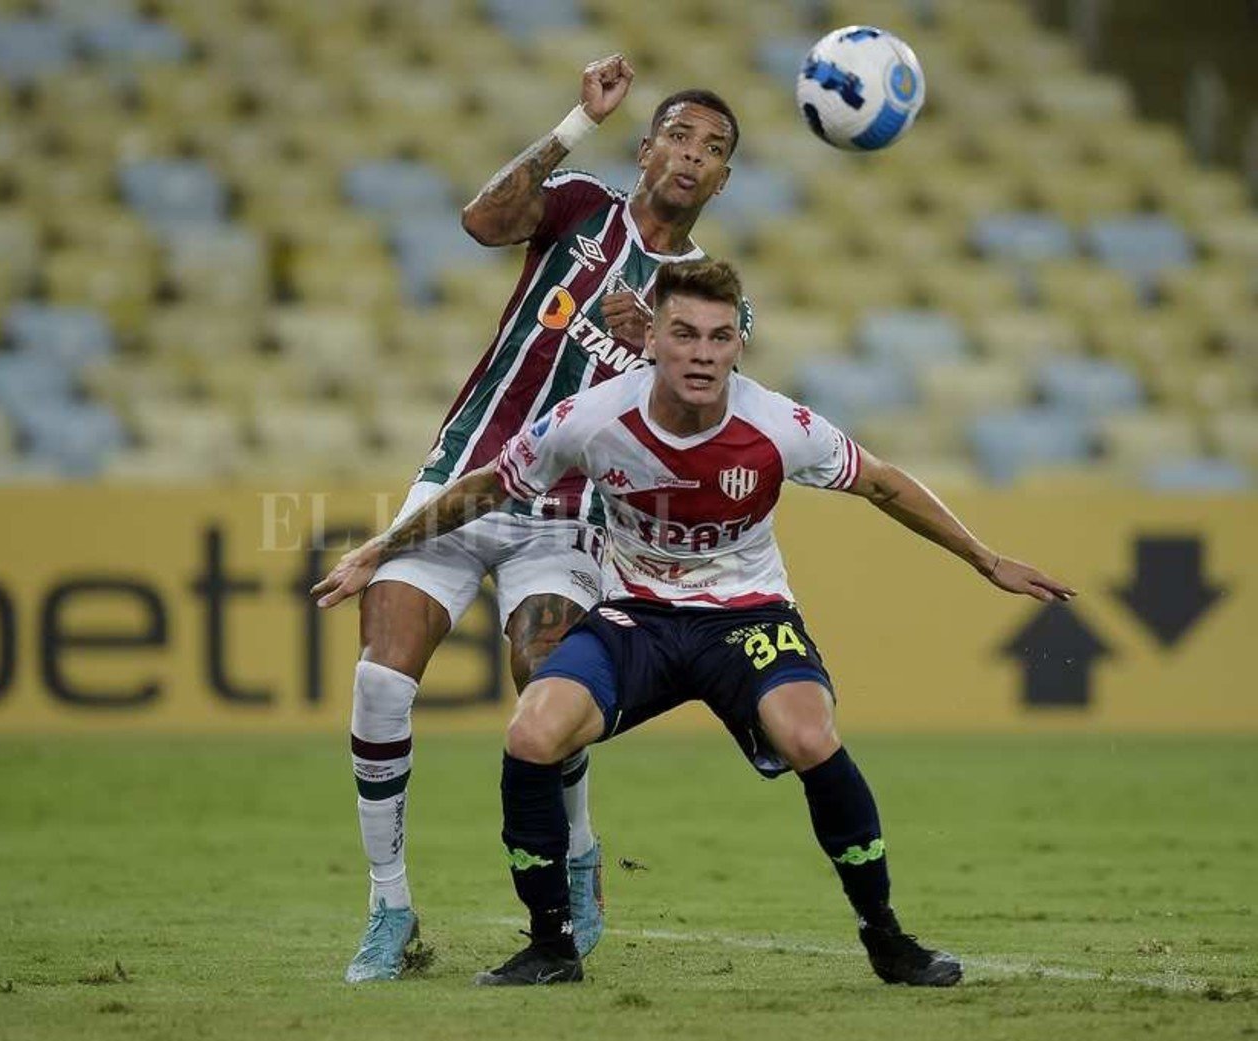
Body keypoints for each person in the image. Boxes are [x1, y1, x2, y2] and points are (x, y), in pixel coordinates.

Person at [315, 258, 1074, 987]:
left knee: (809, 735)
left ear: (737, 345)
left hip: (746, 618)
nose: (701, 354)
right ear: (650, 340)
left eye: (718, 337)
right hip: (636, 616)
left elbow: (882, 484)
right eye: (683, 334)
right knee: (529, 732)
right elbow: (486, 486)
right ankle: (550, 945)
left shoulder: (780, 425)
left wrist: (984, 557)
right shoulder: (590, 418)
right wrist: (379, 550)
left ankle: (887, 936)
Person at [340, 53, 750, 982]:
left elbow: (705, 419)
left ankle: (577, 850)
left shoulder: (709, 300)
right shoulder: (578, 207)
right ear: (645, 149)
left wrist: (656, 350)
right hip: (458, 478)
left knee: (542, 682)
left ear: (724, 179)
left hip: (564, 520)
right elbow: (481, 219)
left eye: (714, 148)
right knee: (380, 681)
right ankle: (389, 908)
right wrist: (574, 121)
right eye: (678, 135)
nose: (691, 155)